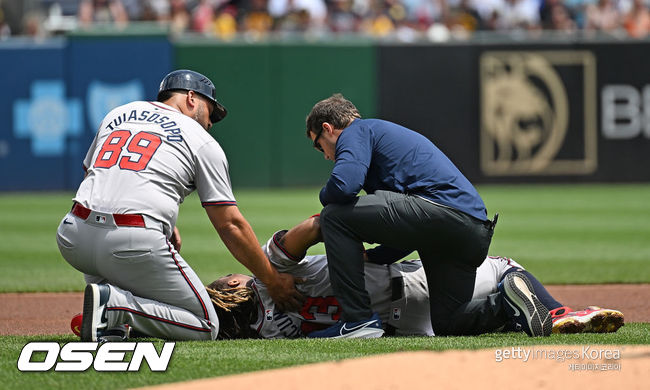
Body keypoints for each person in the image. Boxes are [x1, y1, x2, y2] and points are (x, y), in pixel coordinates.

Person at [56, 69, 303, 342]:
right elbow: (230, 224)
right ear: (191, 98)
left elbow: (96, 174)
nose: (211, 122)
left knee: (125, 282)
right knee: (206, 325)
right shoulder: (201, 141)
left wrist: (165, 222)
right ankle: (116, 308)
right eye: (211, 111)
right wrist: (271, 280)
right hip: (130, 243)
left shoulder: (118, 114)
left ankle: (110, 319)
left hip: (73, 236)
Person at [304, 93, 552, 338]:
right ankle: (508, 302)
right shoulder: (377, 138)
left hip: (438, 212)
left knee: (334, 215)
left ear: (328, 128)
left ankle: (357, 320)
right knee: (450, 322)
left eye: (319, 145)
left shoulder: (355, 131)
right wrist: (375, 256)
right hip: (472, 231)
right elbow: (407, 233)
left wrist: (324, 197)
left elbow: (344, 186)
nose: (326, 155)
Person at [204, 215, 625, 339]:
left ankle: (512, 312)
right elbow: (318, 223)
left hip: (406, 326)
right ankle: (554, 313)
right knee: (505, 268)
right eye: (232, 277)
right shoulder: (271, 274)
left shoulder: (265, 334)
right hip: (408, 283)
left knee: (483, 318)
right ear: (237, 286)